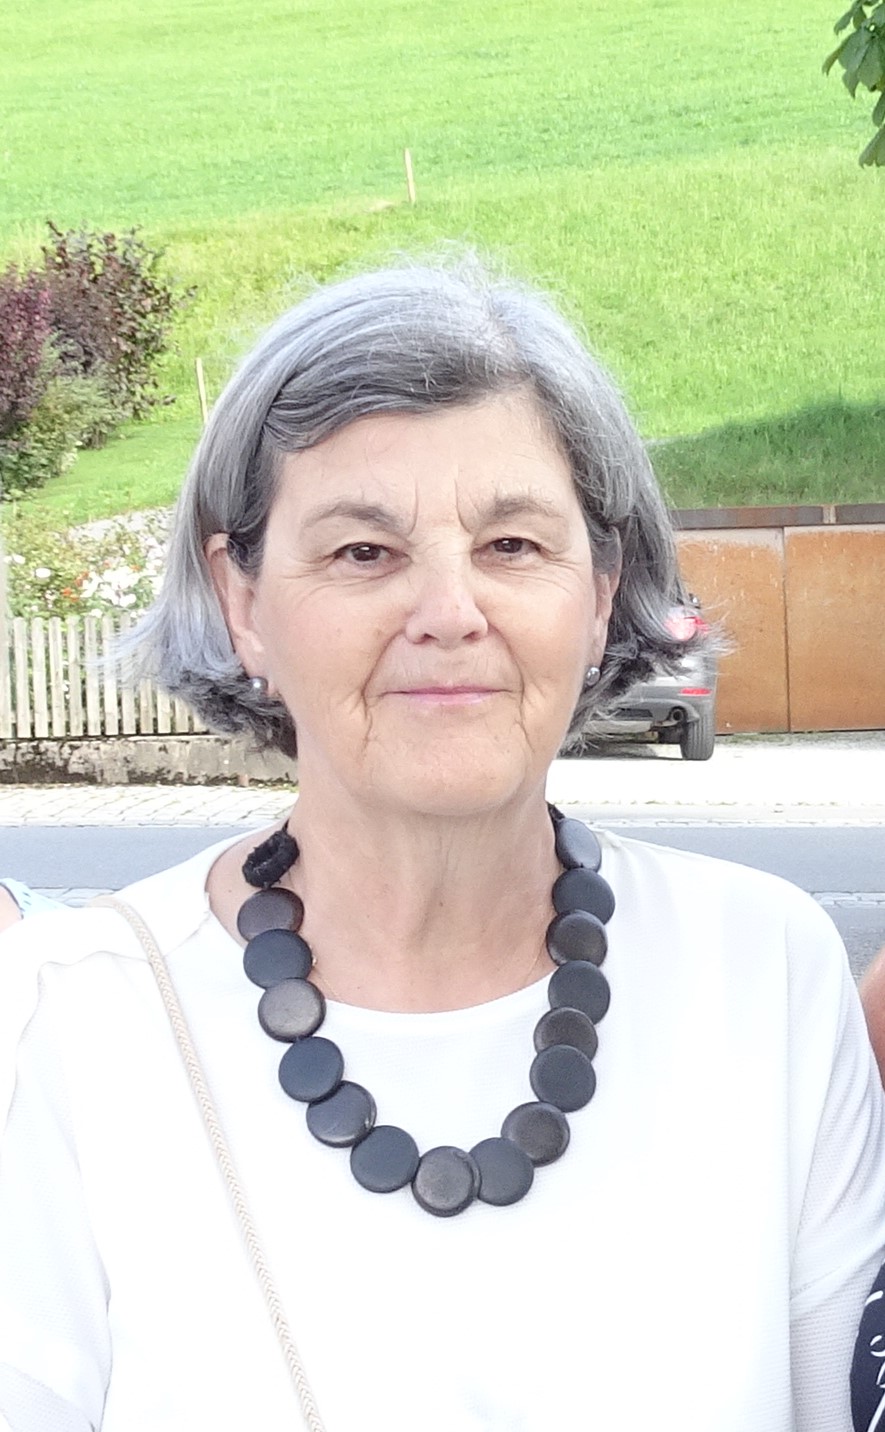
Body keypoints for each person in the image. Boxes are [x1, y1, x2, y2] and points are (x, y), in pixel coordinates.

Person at [0, 257, 883, 1432]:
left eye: (512, 545)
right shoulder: (66, 1019)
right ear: (243, 601)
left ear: (600, 590)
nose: (450, 613)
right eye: (363, 552)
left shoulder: (766, 970)